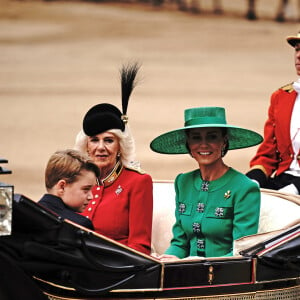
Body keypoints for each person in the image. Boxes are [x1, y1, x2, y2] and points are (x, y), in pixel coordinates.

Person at [150, 106, 263, 260]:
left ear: (224, 141)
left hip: (226, 277)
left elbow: (242, 252)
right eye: (196, 138)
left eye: (212, 137)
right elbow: (180, 243)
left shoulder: (244, 188)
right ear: (188, 143)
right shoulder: (183, 182)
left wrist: (199, 263)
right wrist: (166, 259)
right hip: (187, 273)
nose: (203, 145)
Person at [74, 63, 153, 255]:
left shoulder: (137, 182)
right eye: (94, 140)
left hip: (114, 272)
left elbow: (139, 247)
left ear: (120, 147)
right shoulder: (74, 181)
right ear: (86, 146)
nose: (101, 147)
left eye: (109, 140)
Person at [246, 31, 300, 195]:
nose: (298, 56)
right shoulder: (281, 97)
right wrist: (253, 180)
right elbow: (268, 153)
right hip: (283, 180)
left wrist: (296, 189)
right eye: (297, 49)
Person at [38, 149, 99, 230]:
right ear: (62, 187)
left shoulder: (25, 214)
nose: (91, 196)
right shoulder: (79, 225)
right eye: (86, 189)